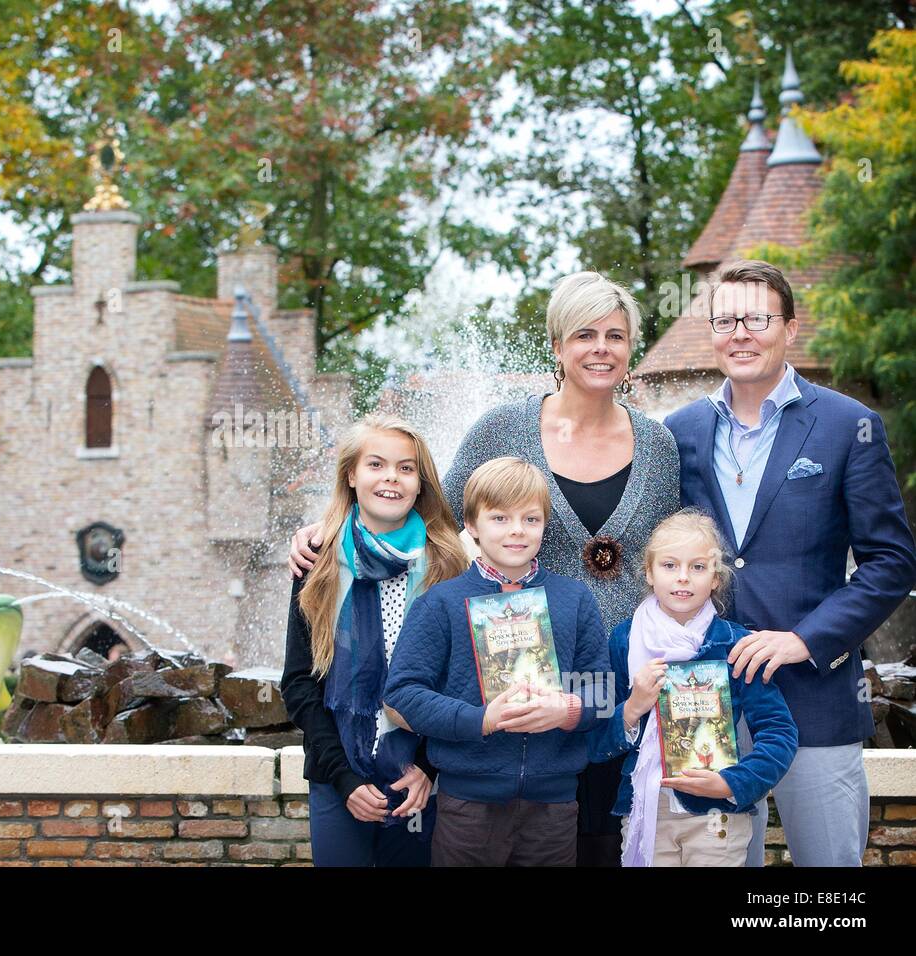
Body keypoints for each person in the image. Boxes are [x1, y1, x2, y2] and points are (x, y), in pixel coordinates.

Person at [291, 271, 680, 865]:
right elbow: (433, 515)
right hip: (508, 702)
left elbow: (678, 551)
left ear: (631, 348)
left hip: (612, 691)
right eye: (584, 335)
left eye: (616, 336)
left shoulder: (658, 444)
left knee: (604, 843)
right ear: (556, 345)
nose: (601, 348)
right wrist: (335, 529)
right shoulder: (503, 428)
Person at [665, 259, 916, 867]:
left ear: (790, 328)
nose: (740, 332)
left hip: (817, 697)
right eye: (725, 319)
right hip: (706, 702)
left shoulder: (847, 425)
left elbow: (891, 562)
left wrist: (807, 640)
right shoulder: (679, 432)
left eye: (757, 318)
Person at [383, 457, 610, 866]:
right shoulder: (441, 603)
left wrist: (568, 709)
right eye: (500, 517)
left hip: (553, 807)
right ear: (471, 525)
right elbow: (403, 693)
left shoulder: (573, 599)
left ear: (545, 525)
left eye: (531, 518)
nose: (517, 530)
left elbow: (604, 691)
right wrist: (480, 720)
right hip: (467, 805)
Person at [280, 413, 468, 866]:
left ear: (421, 482)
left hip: (420, 778)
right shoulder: (318, 561)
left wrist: (427, 767)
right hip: (338, 773)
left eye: (406, 468)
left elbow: (460, 682)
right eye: (376, 464)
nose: (391, 478)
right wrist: (344, 779)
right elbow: (299, 683)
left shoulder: (448, 565)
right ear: (351, 475)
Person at [588, 508, 797, 866]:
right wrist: (633, 707)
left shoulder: (734, 645)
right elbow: (594, 742)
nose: (683, 578)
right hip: (646, 809)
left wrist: (734, 783)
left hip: (717, 816)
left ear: (716, 578)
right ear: (649, 573)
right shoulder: (624, 641)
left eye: (697, 567)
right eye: (669, 566)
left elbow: (779, 731)